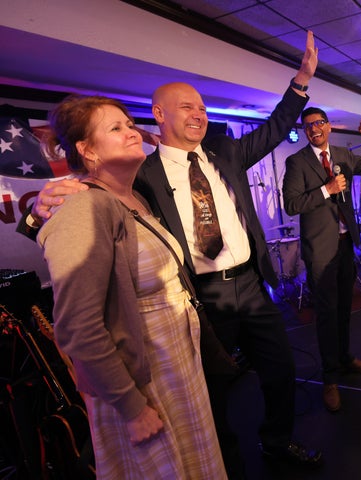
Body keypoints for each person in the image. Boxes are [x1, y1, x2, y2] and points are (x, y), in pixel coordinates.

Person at [23, 30, 322, 475]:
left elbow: (277, 128)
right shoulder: (138, 173)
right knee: (213, 388)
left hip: (250, 284)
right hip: (200, 296)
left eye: (203, 107)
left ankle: (277, 442)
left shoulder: (225, 151)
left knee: (279, 372)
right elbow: (74, 214)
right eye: (187, 107)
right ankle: (226, 460)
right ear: (159, 114)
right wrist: (36, 214)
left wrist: (300, 84)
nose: (199, 114)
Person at [36, 95, 226, 478]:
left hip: (172, 366)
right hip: (140, 381)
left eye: (128, 123)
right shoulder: (83, 207)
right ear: (86, 150)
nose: (131, 132)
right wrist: (131, 407)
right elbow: (78, 328)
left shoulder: (133, 196)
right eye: (115, 128)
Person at [282, 107, 361, 412]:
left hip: (344, 244)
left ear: (328, 126)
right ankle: (329, 379)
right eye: (308, 125)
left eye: (319, 123)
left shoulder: (342, 153)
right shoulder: (296, 161)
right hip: (320, 249)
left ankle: (344, 359)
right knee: (326, 315)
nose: (314, 129)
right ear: (305, 131)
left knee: (343, 309)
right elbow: (291, 204)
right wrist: (326, 190)